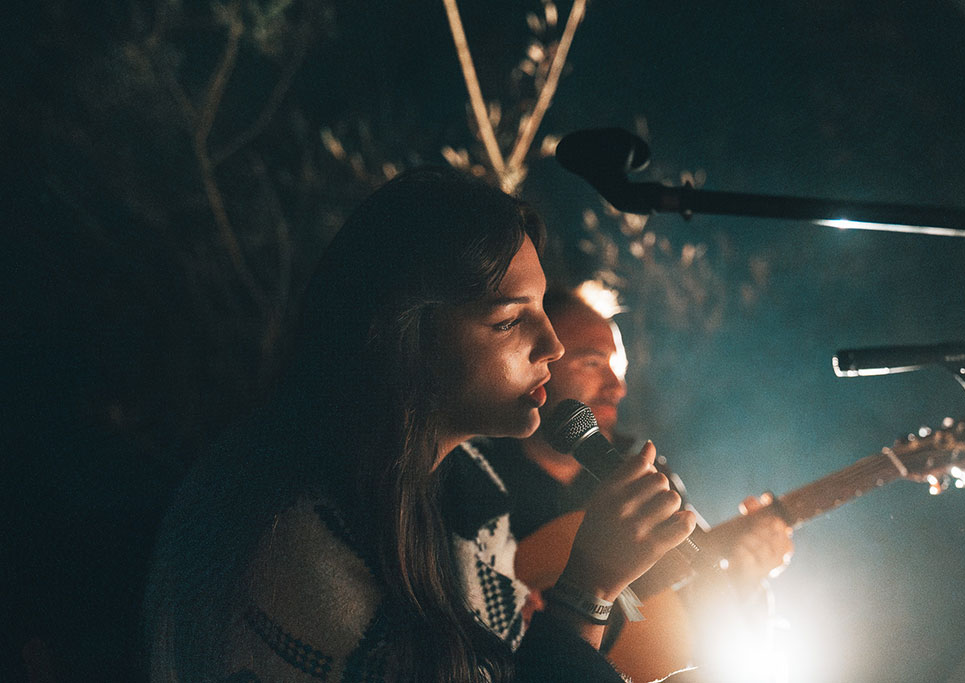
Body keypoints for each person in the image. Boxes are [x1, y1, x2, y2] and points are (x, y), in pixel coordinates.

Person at [143, 167, 697, 683]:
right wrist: (588, 590)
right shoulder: (296, 546)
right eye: (509, 320)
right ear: (404, 337)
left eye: (542, 312)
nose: (551, 346)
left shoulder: (472, 487)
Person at [456, 282, 794, 682]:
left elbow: (713, 633)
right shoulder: (473, 478)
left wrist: (746, 583)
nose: (617, 388)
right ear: (538, 363)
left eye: (620, 370)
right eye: (593, 363)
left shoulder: (641, 471)